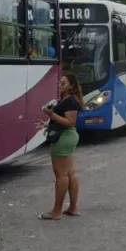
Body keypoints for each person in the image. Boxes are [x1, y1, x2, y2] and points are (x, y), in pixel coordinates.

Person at [39, 74, 84, 220]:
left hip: (64, 138)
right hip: (67, 136)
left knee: (61, 174)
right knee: (70, 172)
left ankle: (56, 212)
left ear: (71, 86)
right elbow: (62, 120)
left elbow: (70, 122)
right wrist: (48, 124)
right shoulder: (66, 99)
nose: (60, 84)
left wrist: (50, 114)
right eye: (59, 82)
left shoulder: (70, 101)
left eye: (63, 83)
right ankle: (73, 208)